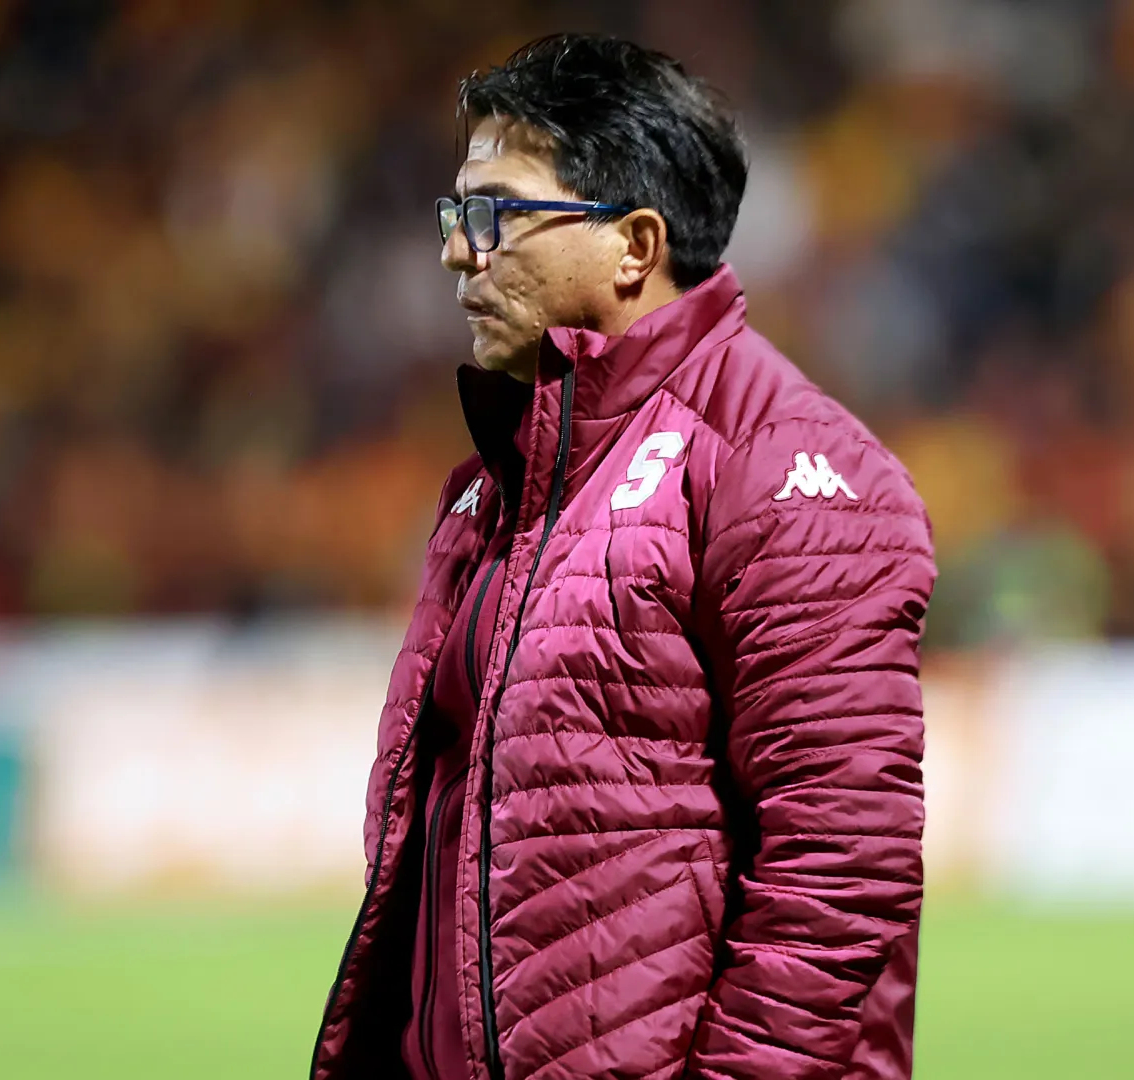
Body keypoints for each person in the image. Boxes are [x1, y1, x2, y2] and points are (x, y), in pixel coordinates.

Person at [311, 34, 936, 1080]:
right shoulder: (493, 486)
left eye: (498, 214)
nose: (459, 251)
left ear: (634, 247)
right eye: (455, 213)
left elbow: (841, 864)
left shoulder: (784, 468)